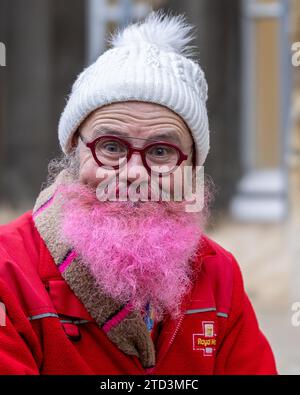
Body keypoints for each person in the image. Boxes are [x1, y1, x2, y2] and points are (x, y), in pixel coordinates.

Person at [0, 11, 277, 375]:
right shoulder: (9, 271)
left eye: (161, 152)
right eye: (111, 147)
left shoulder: (218, 274)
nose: (133, 174)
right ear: (74, 152)